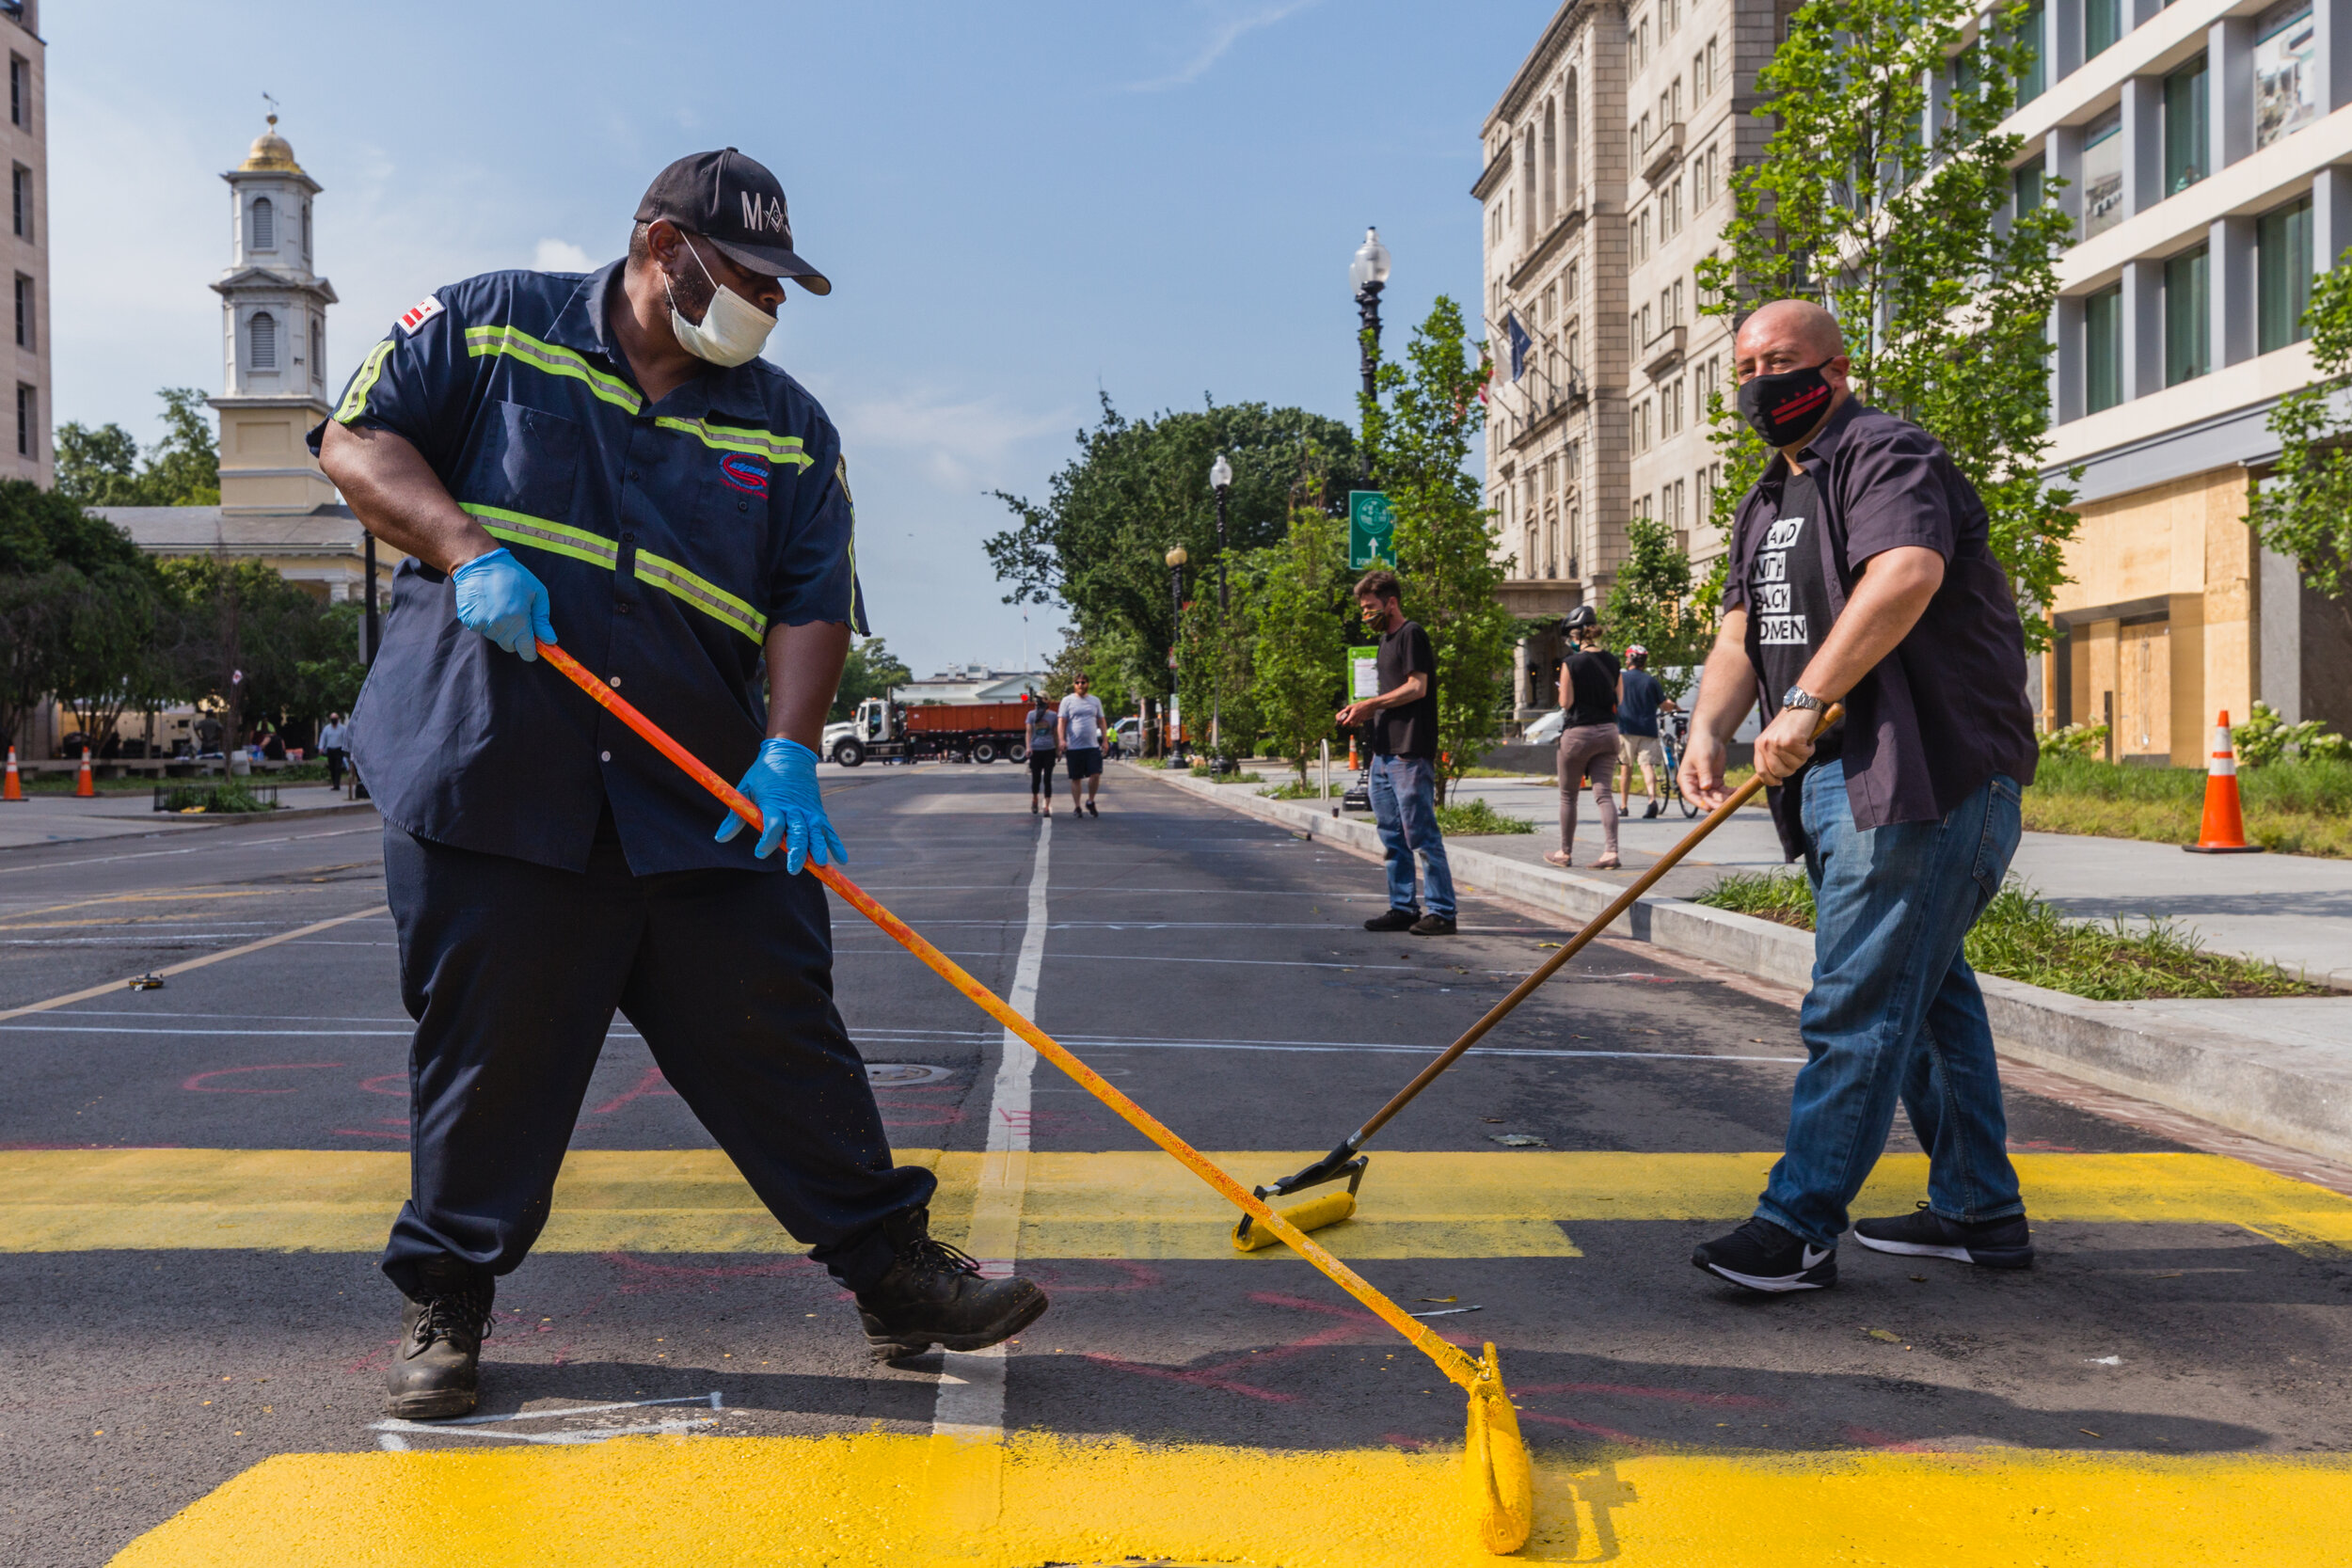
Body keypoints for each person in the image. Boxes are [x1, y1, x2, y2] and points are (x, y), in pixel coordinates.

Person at [314, 148, 1046, 1419]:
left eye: (779, 284)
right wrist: (463, 541)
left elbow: (813, 601)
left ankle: (893, 1273)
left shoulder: (788, 424)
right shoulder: (491, 324)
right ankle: (449, 1304)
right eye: (745, 277)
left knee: (783, 1027)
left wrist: (792, 746)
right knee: (489, 1062)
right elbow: (355, 440)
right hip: (495, 778)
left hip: (691, 785)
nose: (764, 305)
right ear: (661, 248)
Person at [1679, 299, 2039, 1293]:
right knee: (1924, 1001)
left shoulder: (1885, 456)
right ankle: (1979, 1209)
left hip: (1921, 770)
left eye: (1782, 361)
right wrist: (1709, 729)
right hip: (1840, 779)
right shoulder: (1763, 501)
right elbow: (1735, 637)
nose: (1760, 380)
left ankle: (1796, 1224)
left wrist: (1804, 700)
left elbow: (1907, 571)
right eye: (1746, 363)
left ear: (1834, 370)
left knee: (1858, 1001)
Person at [1338, 569, 1455, 936]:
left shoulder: (1411, 634)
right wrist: (1361, 712)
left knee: (1421, 834)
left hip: (1409, 751)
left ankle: (1442, 912)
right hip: (1384, 753)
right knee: (1391, 835)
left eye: (1371, 607)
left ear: (1392, 602)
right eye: (1362, 609)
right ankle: (1403, 907)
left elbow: (1417, 687)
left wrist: (1370, 704)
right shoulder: (1384, 642)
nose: (1366, 614)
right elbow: (1389, 697)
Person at [1547, 605, 1621, 872]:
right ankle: (1611, 851)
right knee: (1604, 794)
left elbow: (1566, 702)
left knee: (1568, 796)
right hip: (1608, 733)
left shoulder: (1571, 663)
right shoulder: (1613, 661)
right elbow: (1619, 698)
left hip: (1578, 734)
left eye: (1569, 637)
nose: (1569, 641)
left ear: (1577, 635)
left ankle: (1564, 853)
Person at [1614, 646, 1677, 818]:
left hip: (1626, 729)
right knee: (1646, 766)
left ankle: (1624, 806)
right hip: (1648, 729)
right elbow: (1664, 705)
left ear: (1628, 661)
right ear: (1644, 662)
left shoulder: (1619, 679)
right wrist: (1674, 706)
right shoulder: (1651, 681)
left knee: (1626, 767)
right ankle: (1651, 800)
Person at [1058, 673, 1105, 817]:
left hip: (1092, 745)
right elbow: (1062, 722)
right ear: (1074, 684)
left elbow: (1102, 721)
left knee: (1096, 774)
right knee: (1076, 778)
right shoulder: (1067, 701)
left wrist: (1105, 740)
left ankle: (1090, 801)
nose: (1080, 685)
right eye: (1077, 682)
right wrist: (1061, 740)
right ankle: (1077, 806)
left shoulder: (1095, 701)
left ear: (1088, 684)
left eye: (1083, 682)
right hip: (1074, 746)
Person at [1024, 696, 1058, 816]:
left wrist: (1058, 750)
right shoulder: (1031, 715)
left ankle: (1046, 806)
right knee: (1036, 778)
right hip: (1036, 750)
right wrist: (1028, 747)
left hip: (1049, 749)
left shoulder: (1053, 716)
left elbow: (1055, 734)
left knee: (1047, 779)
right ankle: (1035, 798)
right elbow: (1028, 732)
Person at [318, 712, 350, 791]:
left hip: (339, 750)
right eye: (332, 718)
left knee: (338, 767)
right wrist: (321, 747)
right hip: (330, 750)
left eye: (335, 718)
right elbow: (323, 738)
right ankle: (334, 783)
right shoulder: (327, 728)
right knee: (332, 767)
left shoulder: (342, 728)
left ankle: (337, 784)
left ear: (338, 719)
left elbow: (346, 738)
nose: (334, 720)